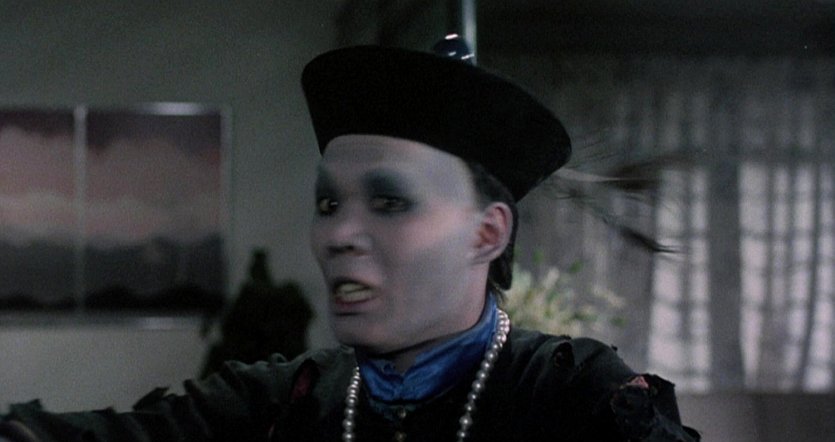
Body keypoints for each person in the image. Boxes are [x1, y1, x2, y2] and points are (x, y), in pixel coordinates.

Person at [0, 38, 700, 441]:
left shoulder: (573, 395)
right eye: (328, 203)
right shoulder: (285, 400)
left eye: (390, 201)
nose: (338, 234)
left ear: (487, 232)